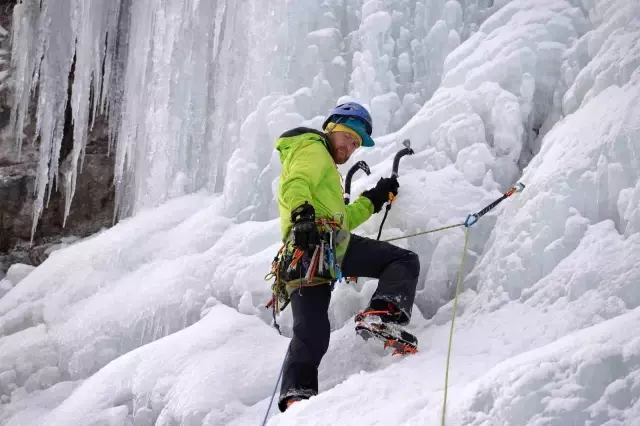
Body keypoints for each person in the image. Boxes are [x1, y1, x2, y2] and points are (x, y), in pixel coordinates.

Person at [274, 102, 420, 411]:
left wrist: (374, 198)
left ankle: (296, 399)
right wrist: (302, 215)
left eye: (356, 144)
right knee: (403, 261)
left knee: (311, 334)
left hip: (316, 251)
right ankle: (382, 313)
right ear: (332, 127)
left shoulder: (326, 167)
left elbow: (343, 219)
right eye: (348, 137)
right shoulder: (313, 149)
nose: (350, 147)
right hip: (317, 245)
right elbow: (294, 183)